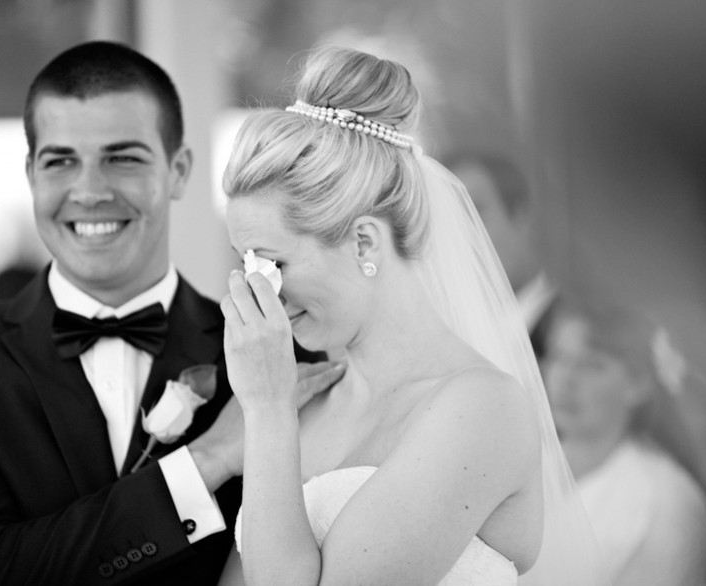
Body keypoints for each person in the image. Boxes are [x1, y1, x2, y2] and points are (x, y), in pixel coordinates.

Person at [0, 41, 341, 586]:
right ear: (31, 175)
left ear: (179, 170)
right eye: (61, 160)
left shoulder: (282, 356)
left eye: (123, 157)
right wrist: (207, 459)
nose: (89, 191)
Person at [215, 45, 604, 585]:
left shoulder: (481, 408)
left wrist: (265, 412)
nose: (260, 290)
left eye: (273, 261)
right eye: (245, 261)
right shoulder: (305, 399)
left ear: (365, 242)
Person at [541, 292, 706, 585]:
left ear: (638, 383)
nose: (566, 378)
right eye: (559, 357)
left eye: (592, 364)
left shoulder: (665, 502)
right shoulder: (530, 458)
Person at [444, 151, 557, 359]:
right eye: (448, 218)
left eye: (473, 214)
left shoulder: (570, 332)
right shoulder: (445, 335)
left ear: (524, 219)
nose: (459, 234)